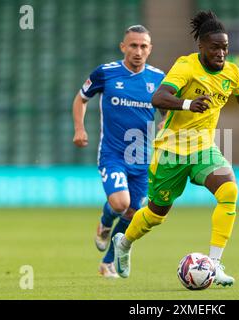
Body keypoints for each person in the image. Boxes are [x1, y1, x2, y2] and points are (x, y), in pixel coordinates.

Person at [112, 11, 239, 287]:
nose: (221, 53)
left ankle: (214, 264)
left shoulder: (232, 73)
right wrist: (187, 104)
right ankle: (124, 242)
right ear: (201, 46)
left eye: (225, 47)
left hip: (203, 148)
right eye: (215, 47)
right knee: (156, 213)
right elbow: (158, 97)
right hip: (171, 149)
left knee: (229, 190)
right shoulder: (186, 66)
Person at [72, 25, 165, 278]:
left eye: (143, 46)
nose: (138, 51)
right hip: (113, 154)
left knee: (134, 212)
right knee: (120, 203)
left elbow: (167, 111)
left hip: (143, 158)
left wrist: (165, 124)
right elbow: (81, 98)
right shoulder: (106, 73)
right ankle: (104, 222)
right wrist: (79, 129)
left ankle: (107, 263)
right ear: (123, 47)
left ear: (150, 49)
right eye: (133, 45)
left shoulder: (159, 78)